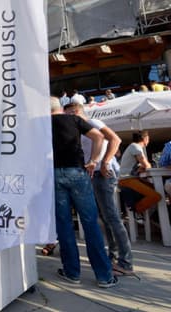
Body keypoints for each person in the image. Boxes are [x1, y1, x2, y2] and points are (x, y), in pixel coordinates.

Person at [50, 96, 118, 288]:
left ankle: (72, 273)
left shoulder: (41, 124)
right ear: (61, 109)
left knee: (63, 224)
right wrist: (94, 161)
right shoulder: (74, 119)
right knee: (90, 222)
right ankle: (104, 276)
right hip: (77, 172)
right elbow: (99, 137)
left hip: (53, 174)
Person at [64, 100, 134, 276]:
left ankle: (126, 263)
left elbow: (115, 139)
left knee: (112, 216)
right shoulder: (78, 131)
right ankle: (112, 256)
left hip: (104, 174)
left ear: (82, 112)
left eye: (73, 113)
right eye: (68, 115)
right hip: (92, 175)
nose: (70, 117)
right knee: (104, 217)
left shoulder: (92, 123)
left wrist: (106, 161)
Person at [118, 131, 161, 214]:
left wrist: (140, 168)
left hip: (129, 178)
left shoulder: (133, 147)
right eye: (148, 138)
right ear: (145, 139)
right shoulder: (136, 147)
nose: (148, 140)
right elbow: (146, 165)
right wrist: (145, 166)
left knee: (156, 189)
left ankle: (147, 213)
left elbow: (140, 165)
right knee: (156, 196)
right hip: (127, 180)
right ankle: (137, 211)